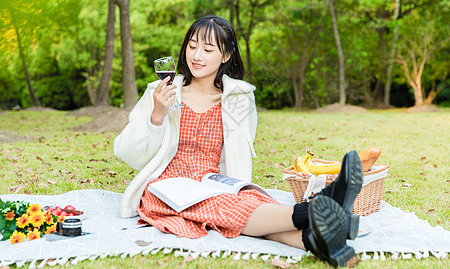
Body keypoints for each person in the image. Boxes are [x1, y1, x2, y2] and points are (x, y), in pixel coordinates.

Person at [114, 15, 362, 267]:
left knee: (247, 203)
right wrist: (156, 115)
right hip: (166, 189)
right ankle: (316, 209)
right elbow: (126, 152)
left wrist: (234, 185)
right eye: (192, 46)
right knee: (224, 206)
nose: (197, 55)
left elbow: (238, 153)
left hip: (212, 183)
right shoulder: (160, 91)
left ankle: (317, 241)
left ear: (226, 56)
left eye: (208, 49)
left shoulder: (237, 99)